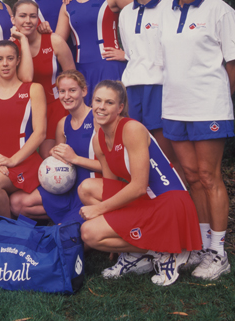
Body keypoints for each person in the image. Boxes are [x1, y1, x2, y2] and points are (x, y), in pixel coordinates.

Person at [159, 0, 235, 280]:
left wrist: (218, 98)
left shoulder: (220, 10)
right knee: (191, 175)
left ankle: (219, 252)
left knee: (210, 177)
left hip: (208, 107)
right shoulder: (167, 11)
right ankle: (202, 245)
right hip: (175, 107)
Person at [78, 80, 202, 286]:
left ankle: (168, 252)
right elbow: (110, 185)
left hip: (169, 203)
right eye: (97, 100)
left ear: (119, 108)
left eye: (109, 103)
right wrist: (116, 227)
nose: (101, 107)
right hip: (146, 199)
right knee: (87, 188)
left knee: (89, 233)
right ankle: (139, 253)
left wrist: (99, 209)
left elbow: (138, 186)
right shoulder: (98, 138)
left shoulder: (132, 129)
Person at [117, 0, 183, 184]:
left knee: (166, 155)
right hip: (132, 88)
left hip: (160, 87)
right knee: (139, 155)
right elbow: (133, 52)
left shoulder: (170, 7)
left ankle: (182, 208)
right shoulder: (125, 13)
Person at [0, 40, 46, 218]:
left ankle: (6, 226)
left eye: (10, 58)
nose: (5, 63)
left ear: (18, 60)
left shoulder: (34, 90)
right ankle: (8, 227)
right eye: (0, 59)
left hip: (25, 162)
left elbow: (40, 133)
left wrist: (13, 161)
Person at [54, 0, 134, 104]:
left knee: (115, 120)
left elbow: (143, 16)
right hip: (80, 72)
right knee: (89, 123)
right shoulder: (68, 2)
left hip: (110, 66)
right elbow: (57, 42)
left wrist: (128, 54)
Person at [12, 0, 75, 158]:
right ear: (13, 20)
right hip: (25, 109)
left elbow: (73, 77)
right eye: (23, 16)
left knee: (50, 156)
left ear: (38, 19)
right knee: (25, 157)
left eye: (33, 16)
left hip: (54, 106)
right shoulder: (10, 48)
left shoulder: (54, 41)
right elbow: (26, 78)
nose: (28, 21)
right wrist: (23, 41)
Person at [43, 70, 102, 224]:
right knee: (19, 202)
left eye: (72, 90)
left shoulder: (97, 120)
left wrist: (75, 158)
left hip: (92, 191)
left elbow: (112, 168)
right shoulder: (63, 124)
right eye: (62, 91)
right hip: (69, 188)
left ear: (84, 91)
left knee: (65, 234)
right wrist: (54, 153)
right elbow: (62, 156)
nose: (66, 96)